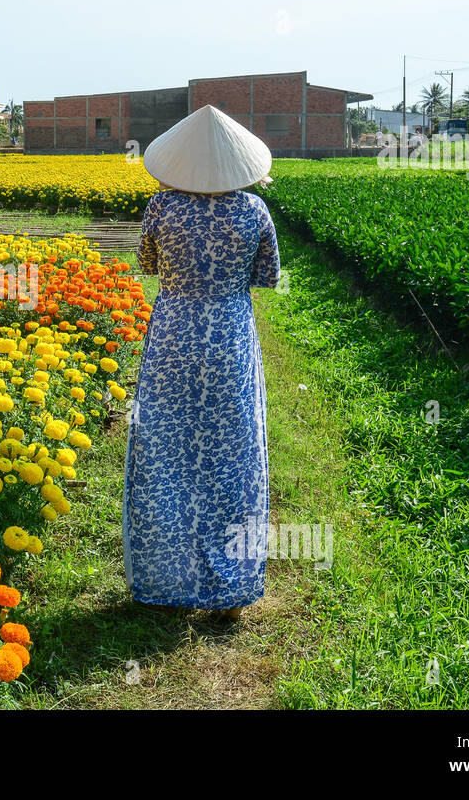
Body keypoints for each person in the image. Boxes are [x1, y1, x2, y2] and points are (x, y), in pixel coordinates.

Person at [123, 105, 280, 621]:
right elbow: (266, 278)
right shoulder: (255, 211)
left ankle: (166, 578)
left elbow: (147, 265)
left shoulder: (161, 208)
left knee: (165, 448)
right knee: (233, 453)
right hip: (230, 338)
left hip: (173, 335)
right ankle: (229, 590)